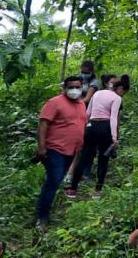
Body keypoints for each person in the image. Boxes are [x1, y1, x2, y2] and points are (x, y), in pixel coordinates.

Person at [65, 75, 130, 199]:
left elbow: (87, 113)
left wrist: (84, 128)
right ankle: (97, 191)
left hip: (92, 126)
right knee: (103, 160)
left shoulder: (97, 93)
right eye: (124, 93)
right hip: (105, 127)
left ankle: (72, 189)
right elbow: (113, 118)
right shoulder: (117, 98)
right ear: (121, 89)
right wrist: (114, 137)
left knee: (83, 157)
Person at [35, 76, 87, 229]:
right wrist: (41, 147)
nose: (75, 90)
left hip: (71, 150)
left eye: (78, 87)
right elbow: (43, 124)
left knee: (56, 180)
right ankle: (42, 218)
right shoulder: (54, 102)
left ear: (82, 87)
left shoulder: (81, 104)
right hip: (54, 149)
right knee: (54, 180)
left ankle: (45, 210)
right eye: (71, 87)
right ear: (64, 88)